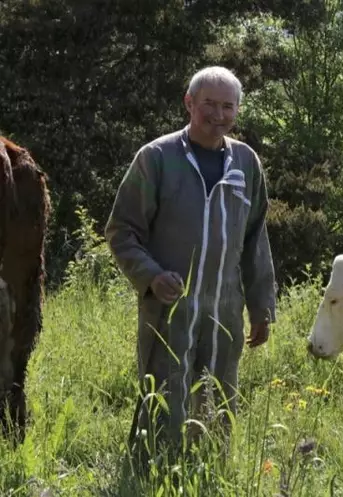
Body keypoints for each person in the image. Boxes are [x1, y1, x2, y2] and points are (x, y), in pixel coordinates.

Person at [105, 66, 277, 462]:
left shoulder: (246, 164)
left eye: (228, 107)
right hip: (169, 309)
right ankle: (153, 471)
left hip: (224, 309)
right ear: (189, 103)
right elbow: (122, 230)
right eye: (209, 105)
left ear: (237, 110)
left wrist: (262, 306)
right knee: (164, 395)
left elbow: (255, 240)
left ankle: (208, 472)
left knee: (217, 398)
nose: (218, 116)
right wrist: (149, 276)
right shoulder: (156, 159)